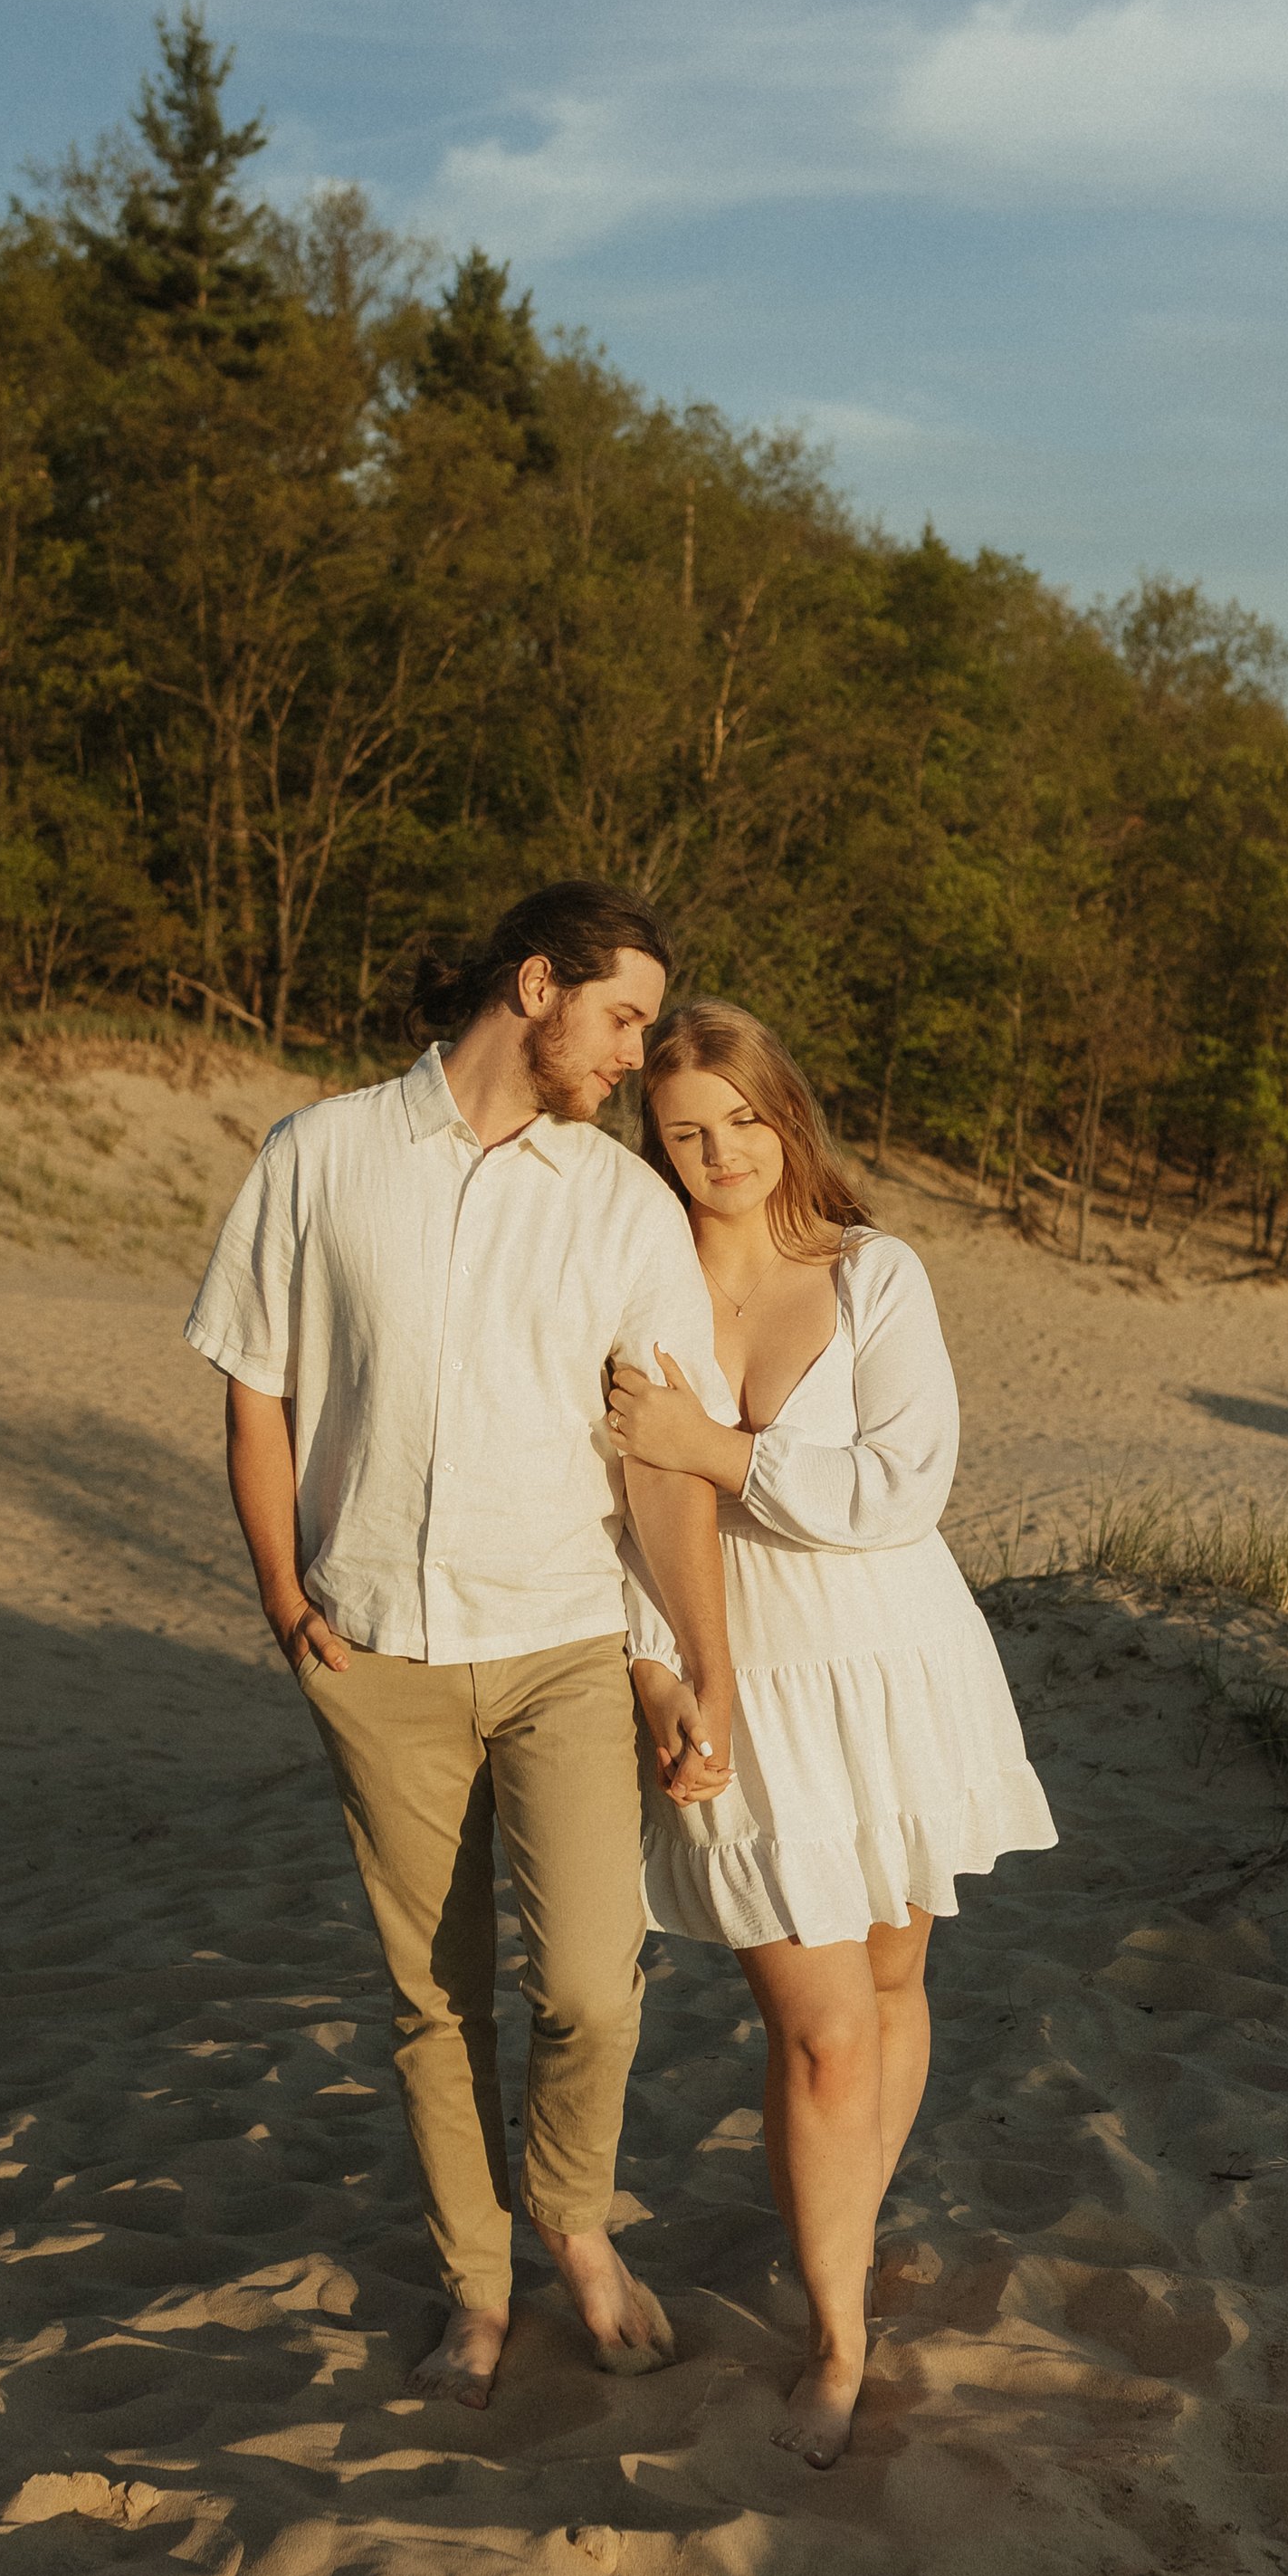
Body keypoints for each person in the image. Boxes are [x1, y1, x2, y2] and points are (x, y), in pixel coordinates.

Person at [191, 884, 738, 2410]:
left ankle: (569, 2212)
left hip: (564, 1637)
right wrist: (285, 1601)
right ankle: (478, 2288)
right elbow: (255, 1389)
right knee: (436, 2002)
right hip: (376, 1654)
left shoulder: (623, 1206)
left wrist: (695, 1657)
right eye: (622, 1016)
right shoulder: (321, 1153)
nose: (633, 1054)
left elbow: (659, 1456)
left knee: (593, 1984)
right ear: (537, 984)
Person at [605, 1000, 1055, 2466]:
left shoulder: (876, 1273)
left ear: (785, 1113)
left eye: (742, 1117)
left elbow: (899, 1489)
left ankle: (846, 2237)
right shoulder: (635, 1291)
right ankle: (840, 2337)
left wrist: (719, 1449)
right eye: (687, 1131)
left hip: (894, 1664)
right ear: (654, 1147)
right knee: (816, 2032)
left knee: (897, 1975)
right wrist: (651, 1671)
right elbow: (605, 1516)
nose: (722, 1151)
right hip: (742, 1684)